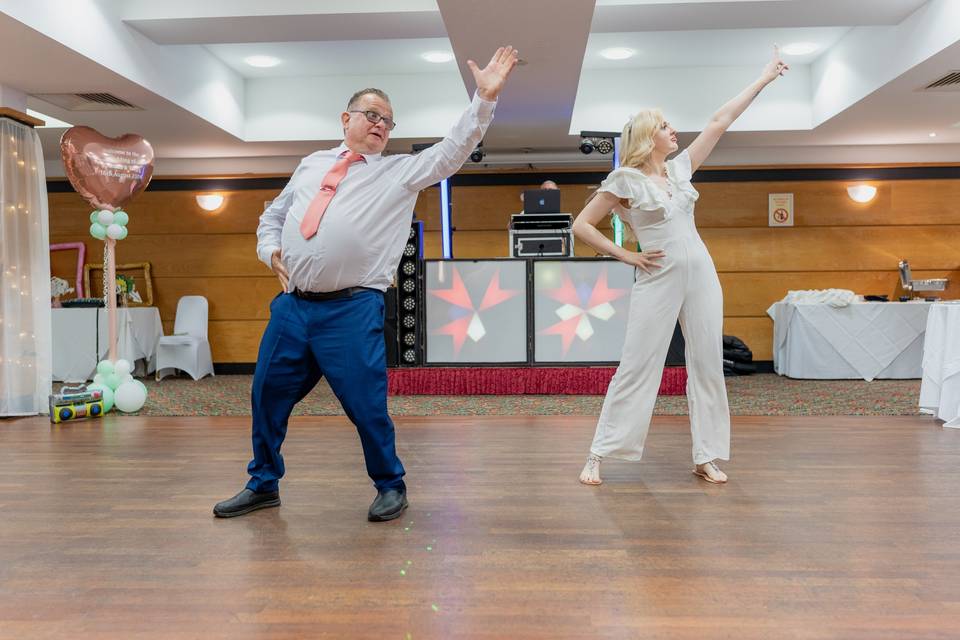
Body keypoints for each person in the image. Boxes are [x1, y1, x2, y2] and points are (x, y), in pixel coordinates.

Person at [214, 46, 519, 521]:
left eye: (388, 122)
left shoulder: (398, 173)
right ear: (346, 118)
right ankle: (263, 483)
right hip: (293, 308)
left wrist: (483, 101)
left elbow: (453, 150)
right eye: (372, 115)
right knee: (265, 397)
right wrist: (270, 251)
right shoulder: (312, 164)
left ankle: (390, 484)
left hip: (351, 311)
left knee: (366, 405)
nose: (380, 125)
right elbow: (272, 215)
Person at [573, 46, 788, 486]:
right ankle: (599, 452)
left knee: (707, 360)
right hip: (658, 273)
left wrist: (763, 78)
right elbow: (582, 225)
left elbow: (719, 121)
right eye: (666, 127)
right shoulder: (625, 180)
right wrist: (628, 255)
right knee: (639, 362)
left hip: (701, 271)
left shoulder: (681, 170)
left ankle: (706, 455)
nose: (674, 132)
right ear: (648, 137)